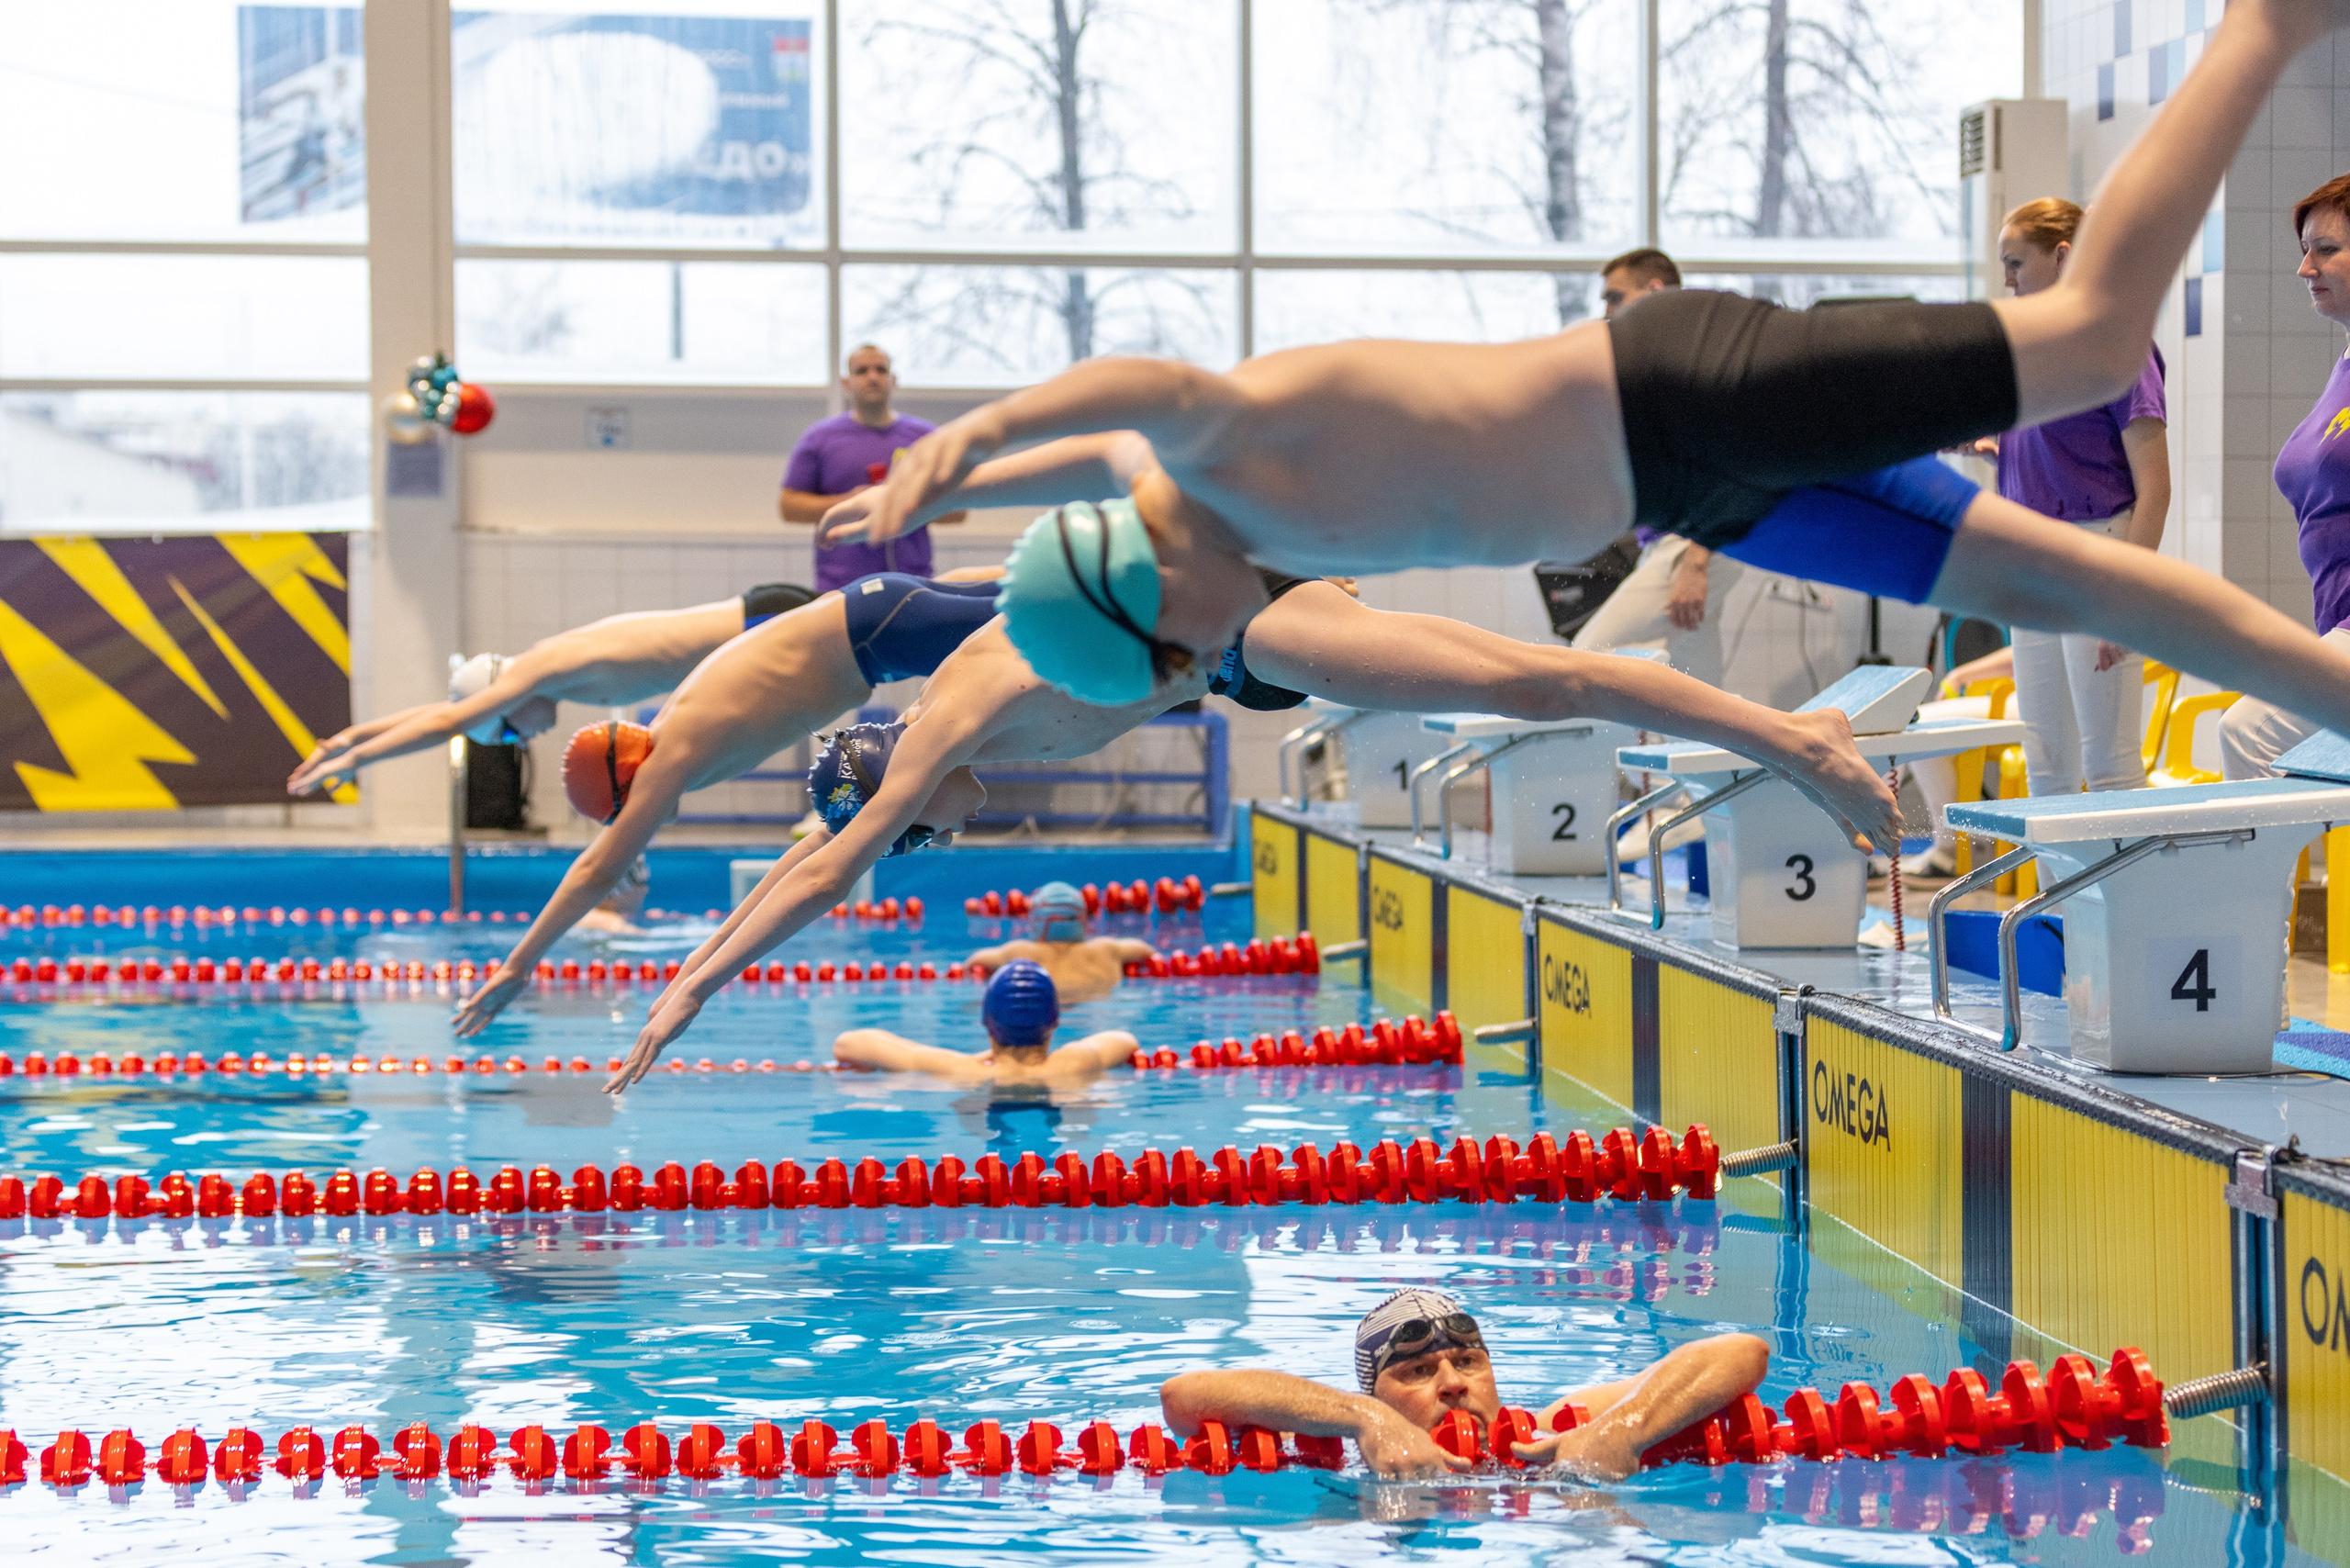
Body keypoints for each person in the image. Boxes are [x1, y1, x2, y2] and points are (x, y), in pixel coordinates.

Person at [821, 3, 2350, 748]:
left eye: (1172, 663)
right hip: (1712, 490)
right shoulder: (1253, 564)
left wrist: (974, 439)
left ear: (1147, 591)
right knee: (2086, 588)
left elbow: (1148, 388)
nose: (1210, 676)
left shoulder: (1230, 472)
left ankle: (2265, 24)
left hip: (1688, 389)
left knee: (2084, 338)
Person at [603, 469, 1908, 1088]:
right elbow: (814, 857)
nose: (931, 847)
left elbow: (829, 863)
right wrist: (688, 977)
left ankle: (1798, 740)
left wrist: (687, 998)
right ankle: (1790, 741)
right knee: (1527, 682)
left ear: (892, 773)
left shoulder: (956, 715)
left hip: (1251, 622)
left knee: (1533, 682)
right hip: (1229, 662)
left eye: (916, 837)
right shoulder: (941, 759)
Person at [448, 573, 1002, 1038]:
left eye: (623, 816)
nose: (637, 825)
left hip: (877, 634)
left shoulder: (668, 759)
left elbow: (598, 870)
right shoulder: (674, 731)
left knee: (1061, 622)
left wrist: (518, 966)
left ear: (627, 788)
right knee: (1036, 601)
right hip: (874, 618)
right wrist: (700, 965)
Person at [1158, 1286, 1769, 1481]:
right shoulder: (1340, 1466)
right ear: (1374, 1395)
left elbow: (1740, 1352)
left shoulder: (1557, 1433)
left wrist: (1622, 1433)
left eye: (1468, 1362)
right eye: (1418, 1372)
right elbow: (1182, 1398)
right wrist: (1364, 1421)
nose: (1452, 1383)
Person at [284, 583, 815, 797]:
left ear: (509, 704)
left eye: (513, 734)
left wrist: (354, 765)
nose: (526, 739)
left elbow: (447, 723)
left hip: (765, 623)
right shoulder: (539, 670)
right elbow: (445, 711)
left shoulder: (540, 669)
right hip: (759, 625)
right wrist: (349, 738)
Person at [1986, 198, 2168, 795]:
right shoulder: (2031, 347)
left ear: (2063, 257)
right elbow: (2049, 447)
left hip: (2099, 555)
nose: (2007, 280)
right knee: (2046, 766)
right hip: (2032, 554)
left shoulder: (2120, 345)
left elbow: (2156, 488)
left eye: (2016, 263)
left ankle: (2134, 894)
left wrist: (2124, 595)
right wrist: (1996, 445)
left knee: (2109, 765)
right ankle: (2057, 896)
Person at [2225, 173, 2350, 778]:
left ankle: (2252, 881)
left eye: (2326, 249)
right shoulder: (2345, 366)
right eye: (2305, 250)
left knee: (2250, 732)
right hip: (2337, 626)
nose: (2306, 268)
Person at [1572, 248, 1742, 689]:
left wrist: (1695, 563)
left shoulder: (1697, 363)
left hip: (1694, 543)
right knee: (1697, 687)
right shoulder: (1659, 365)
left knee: (1588, 658)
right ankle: (1713, 756)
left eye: (1615, 297)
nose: (1607, 311)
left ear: (1654, 292)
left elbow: (1727, 466)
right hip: (1673, 541)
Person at [780, 344, 966, 590]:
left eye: (880, 369)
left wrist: (907, 502)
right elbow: (789, 506)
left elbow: (958, 510)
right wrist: (850, 502)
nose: (872, 377)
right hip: (840, 585)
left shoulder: (926, 438)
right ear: (846, 382)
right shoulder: (820, 439)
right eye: (861, 371)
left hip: (912, 584)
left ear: (893, 380)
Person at [831, 959, 1138, 1082]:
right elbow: (1124, 1040)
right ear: (1053, 1022)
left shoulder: (962, 1069)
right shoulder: (1075, 1063)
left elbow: (847, 1044)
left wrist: (975, 1058)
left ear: (987, 1024)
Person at [965, 880, 1159, 1003]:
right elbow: (1146, 950)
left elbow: (976, 960)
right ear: (1082, 919)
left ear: (1036, 922)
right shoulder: (1107, 949)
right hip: (1098, 1007)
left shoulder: (1021, 952)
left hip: (1041, 1007)